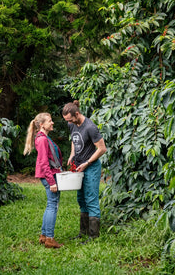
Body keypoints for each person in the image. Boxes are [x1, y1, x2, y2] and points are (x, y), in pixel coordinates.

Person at [62, 100, 107, 241]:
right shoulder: (72, 124)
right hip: (79, 166)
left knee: (91, 199)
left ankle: (93, 236)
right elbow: (74, 141)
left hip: (91, 167)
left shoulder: (90, 127)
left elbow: (102, 149)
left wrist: (87, 163)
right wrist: (72, 155)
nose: (69, 123)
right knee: (81, 199)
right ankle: (83, 233)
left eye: (70, 119)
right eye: (67, 121)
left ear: (77, 114)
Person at [24, 112, 64, 248]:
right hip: (49, 176)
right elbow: (43, 162)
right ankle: (49, 239)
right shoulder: (41, 140)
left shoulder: (44, 138)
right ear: (41, 125)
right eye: (49, 121)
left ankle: (44, 235)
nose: (52, 123)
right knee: (53, 206)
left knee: (50, 205)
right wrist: (52, 182)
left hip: (51, 175)